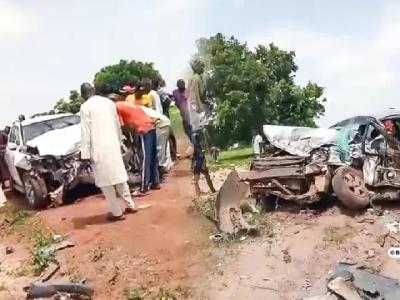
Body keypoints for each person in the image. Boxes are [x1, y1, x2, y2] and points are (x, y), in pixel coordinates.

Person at [79, 83, 137, 221]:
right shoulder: (109, 103)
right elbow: (117, 125)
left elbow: (85, 133)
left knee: (106, 182)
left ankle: (116, 213)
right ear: (94, 90)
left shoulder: (85, 107)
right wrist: (120, 143)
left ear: (83, 95)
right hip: (113, 145)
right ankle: (130, 204)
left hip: (98, 149)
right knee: (120, 177)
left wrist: (85, 154)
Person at [110, 95, 161, 193]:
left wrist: (130, 140)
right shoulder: (127, 104)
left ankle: (143, 186)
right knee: (152, 157)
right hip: (151, 126)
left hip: (142, 129)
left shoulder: (116, 107)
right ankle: (155, 182)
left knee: (144, 158)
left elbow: (124, 126)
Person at [191, 132, 216, 196]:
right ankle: (212, 190)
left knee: (196, 181)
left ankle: (199, 194)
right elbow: (200, 156)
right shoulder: (197, 147)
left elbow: (193, 157)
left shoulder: (195, 147)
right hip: (200, 164)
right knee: (206, 177)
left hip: (197, 164)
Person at [187, 60, 206, 132]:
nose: (203, 69)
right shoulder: (196, 77)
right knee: (198, 126)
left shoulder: (193, 77)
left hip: (192, 103)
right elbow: (195, 92)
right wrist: (199, 105)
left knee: (196, 125)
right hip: (195, 104)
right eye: (201, 67)